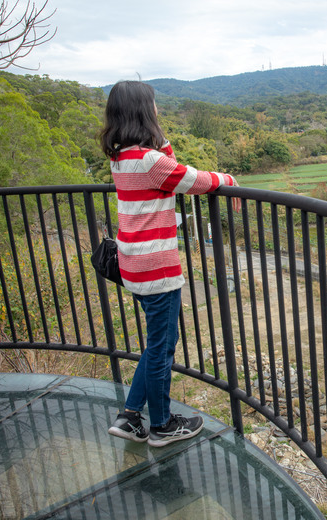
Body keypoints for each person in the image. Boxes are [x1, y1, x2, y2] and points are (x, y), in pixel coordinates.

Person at [101, 80, 238, 447]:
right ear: (145, 112)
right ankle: (161, 425)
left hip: (133, 265)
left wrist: (158, 139)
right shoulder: (149, 161)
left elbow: (170, 166)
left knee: (154, 344)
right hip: (157, 268)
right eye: (154, 105)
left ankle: (130, 416)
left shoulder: (122, 158)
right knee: (162, 348)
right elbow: (194, 179)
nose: (158, 109)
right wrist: (228, 179)